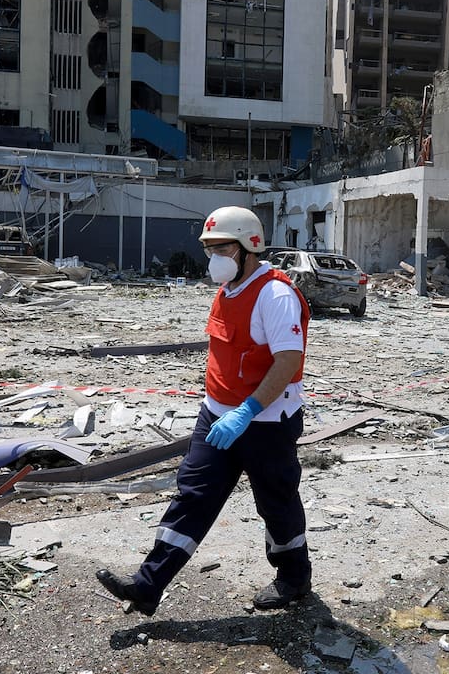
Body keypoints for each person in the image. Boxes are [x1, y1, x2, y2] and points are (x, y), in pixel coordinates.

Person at [96, 206, 313, 616]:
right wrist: (221, 407)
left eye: (221, 249)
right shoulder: (229, 289)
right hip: (217, 416)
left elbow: (286, 362)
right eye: (209, 249)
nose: (213, 258)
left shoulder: (275, 294)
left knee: (276, 504)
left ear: (249, 247)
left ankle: (294, 578)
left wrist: (246, 411)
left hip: (265, 421)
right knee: (192, 495)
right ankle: (147, 586)